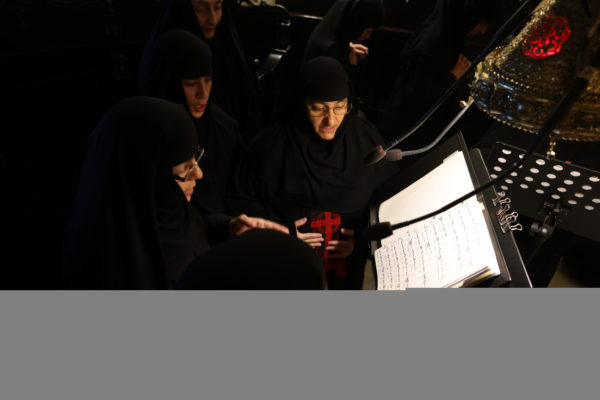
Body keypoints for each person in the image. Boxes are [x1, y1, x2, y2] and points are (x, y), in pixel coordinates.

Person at [61, 96, 324, 289]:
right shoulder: (109, 272)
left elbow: (192, 227)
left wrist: (228, 227)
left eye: (195, 160)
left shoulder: (164, 209)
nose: (198, 174)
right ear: (149, 180)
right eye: (186, 169)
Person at [229, 56, 399, 289]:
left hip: (346, 273)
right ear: (301, 104)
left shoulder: (366, 143)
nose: (331, 120)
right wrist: (281, 234)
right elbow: (240, 202)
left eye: (340, 107)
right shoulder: (270, 146)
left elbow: (388, 204)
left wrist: (363, 240)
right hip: (283, 268)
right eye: (318, 109)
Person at [139, 29, 243, 215]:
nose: (202, 93)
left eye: (208, 80)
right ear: (170, 82)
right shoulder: (145, 134)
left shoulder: (225, 129)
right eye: (191, 83)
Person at [378, 0, 501, 145]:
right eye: (481, 23)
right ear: (468, 16)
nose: (482, 31)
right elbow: (416, 97)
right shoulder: (432, 41)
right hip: (405, 132)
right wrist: (454, 76)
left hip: (418, 129)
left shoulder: (449, 35)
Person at [138, 0, 260, 140]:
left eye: (218, 7)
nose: (212, 19)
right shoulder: (166, 57)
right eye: (201, 10)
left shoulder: (227, 48)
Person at [303, 0, 385, 77]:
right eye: (367, 31)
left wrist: (348, 48)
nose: (368, 36)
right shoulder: (328, 54)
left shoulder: (327, 35)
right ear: (356, 22)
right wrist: (351, 64)